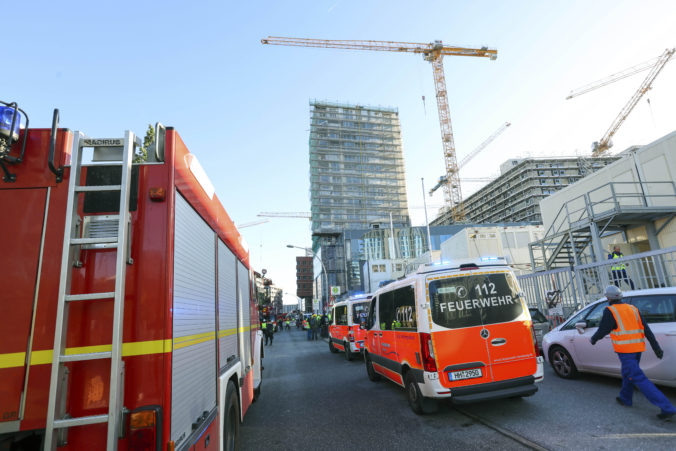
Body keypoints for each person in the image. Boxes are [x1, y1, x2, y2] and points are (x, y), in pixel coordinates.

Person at [590, 285, 675, 420]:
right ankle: (625, 398)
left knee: (638, 378)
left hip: (625, 351)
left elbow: (603, 330)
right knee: (627, 373)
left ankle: (667, 408)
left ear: (608, 298)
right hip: (637, 350)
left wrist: (593, 339)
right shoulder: (633, 309)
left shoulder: (610, 310)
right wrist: (656, 348)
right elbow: (646, 330)